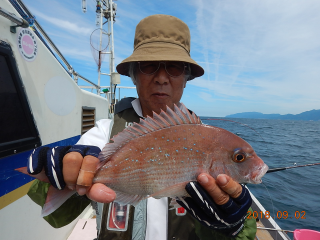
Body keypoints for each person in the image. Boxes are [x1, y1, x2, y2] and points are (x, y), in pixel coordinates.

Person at [27, 14, 256, 240]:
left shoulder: (213, 144)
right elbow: (57, 216)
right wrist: (58, 170)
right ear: (134, 75)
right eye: (149, 66)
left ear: (186, 78)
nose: (161, 78)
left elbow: (239, 231)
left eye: (174, 68)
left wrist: (234, 226)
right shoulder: (102, 134)